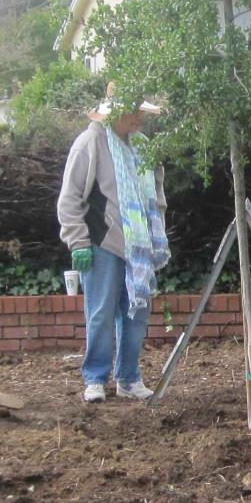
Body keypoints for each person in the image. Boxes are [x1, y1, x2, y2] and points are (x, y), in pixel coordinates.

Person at [57, 93, 170, 403]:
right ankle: (95, 378)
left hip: (139, 246)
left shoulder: (144, 146)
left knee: (136, 313)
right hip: (102, 241)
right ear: (114, 112)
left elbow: (156, 194)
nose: (138, 117)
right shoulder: (90, 143)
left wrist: (156, 230)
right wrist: (77, 240)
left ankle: (129, 378)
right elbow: (70, 197)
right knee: (101, 313)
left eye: (139, 111)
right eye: (131, 111)